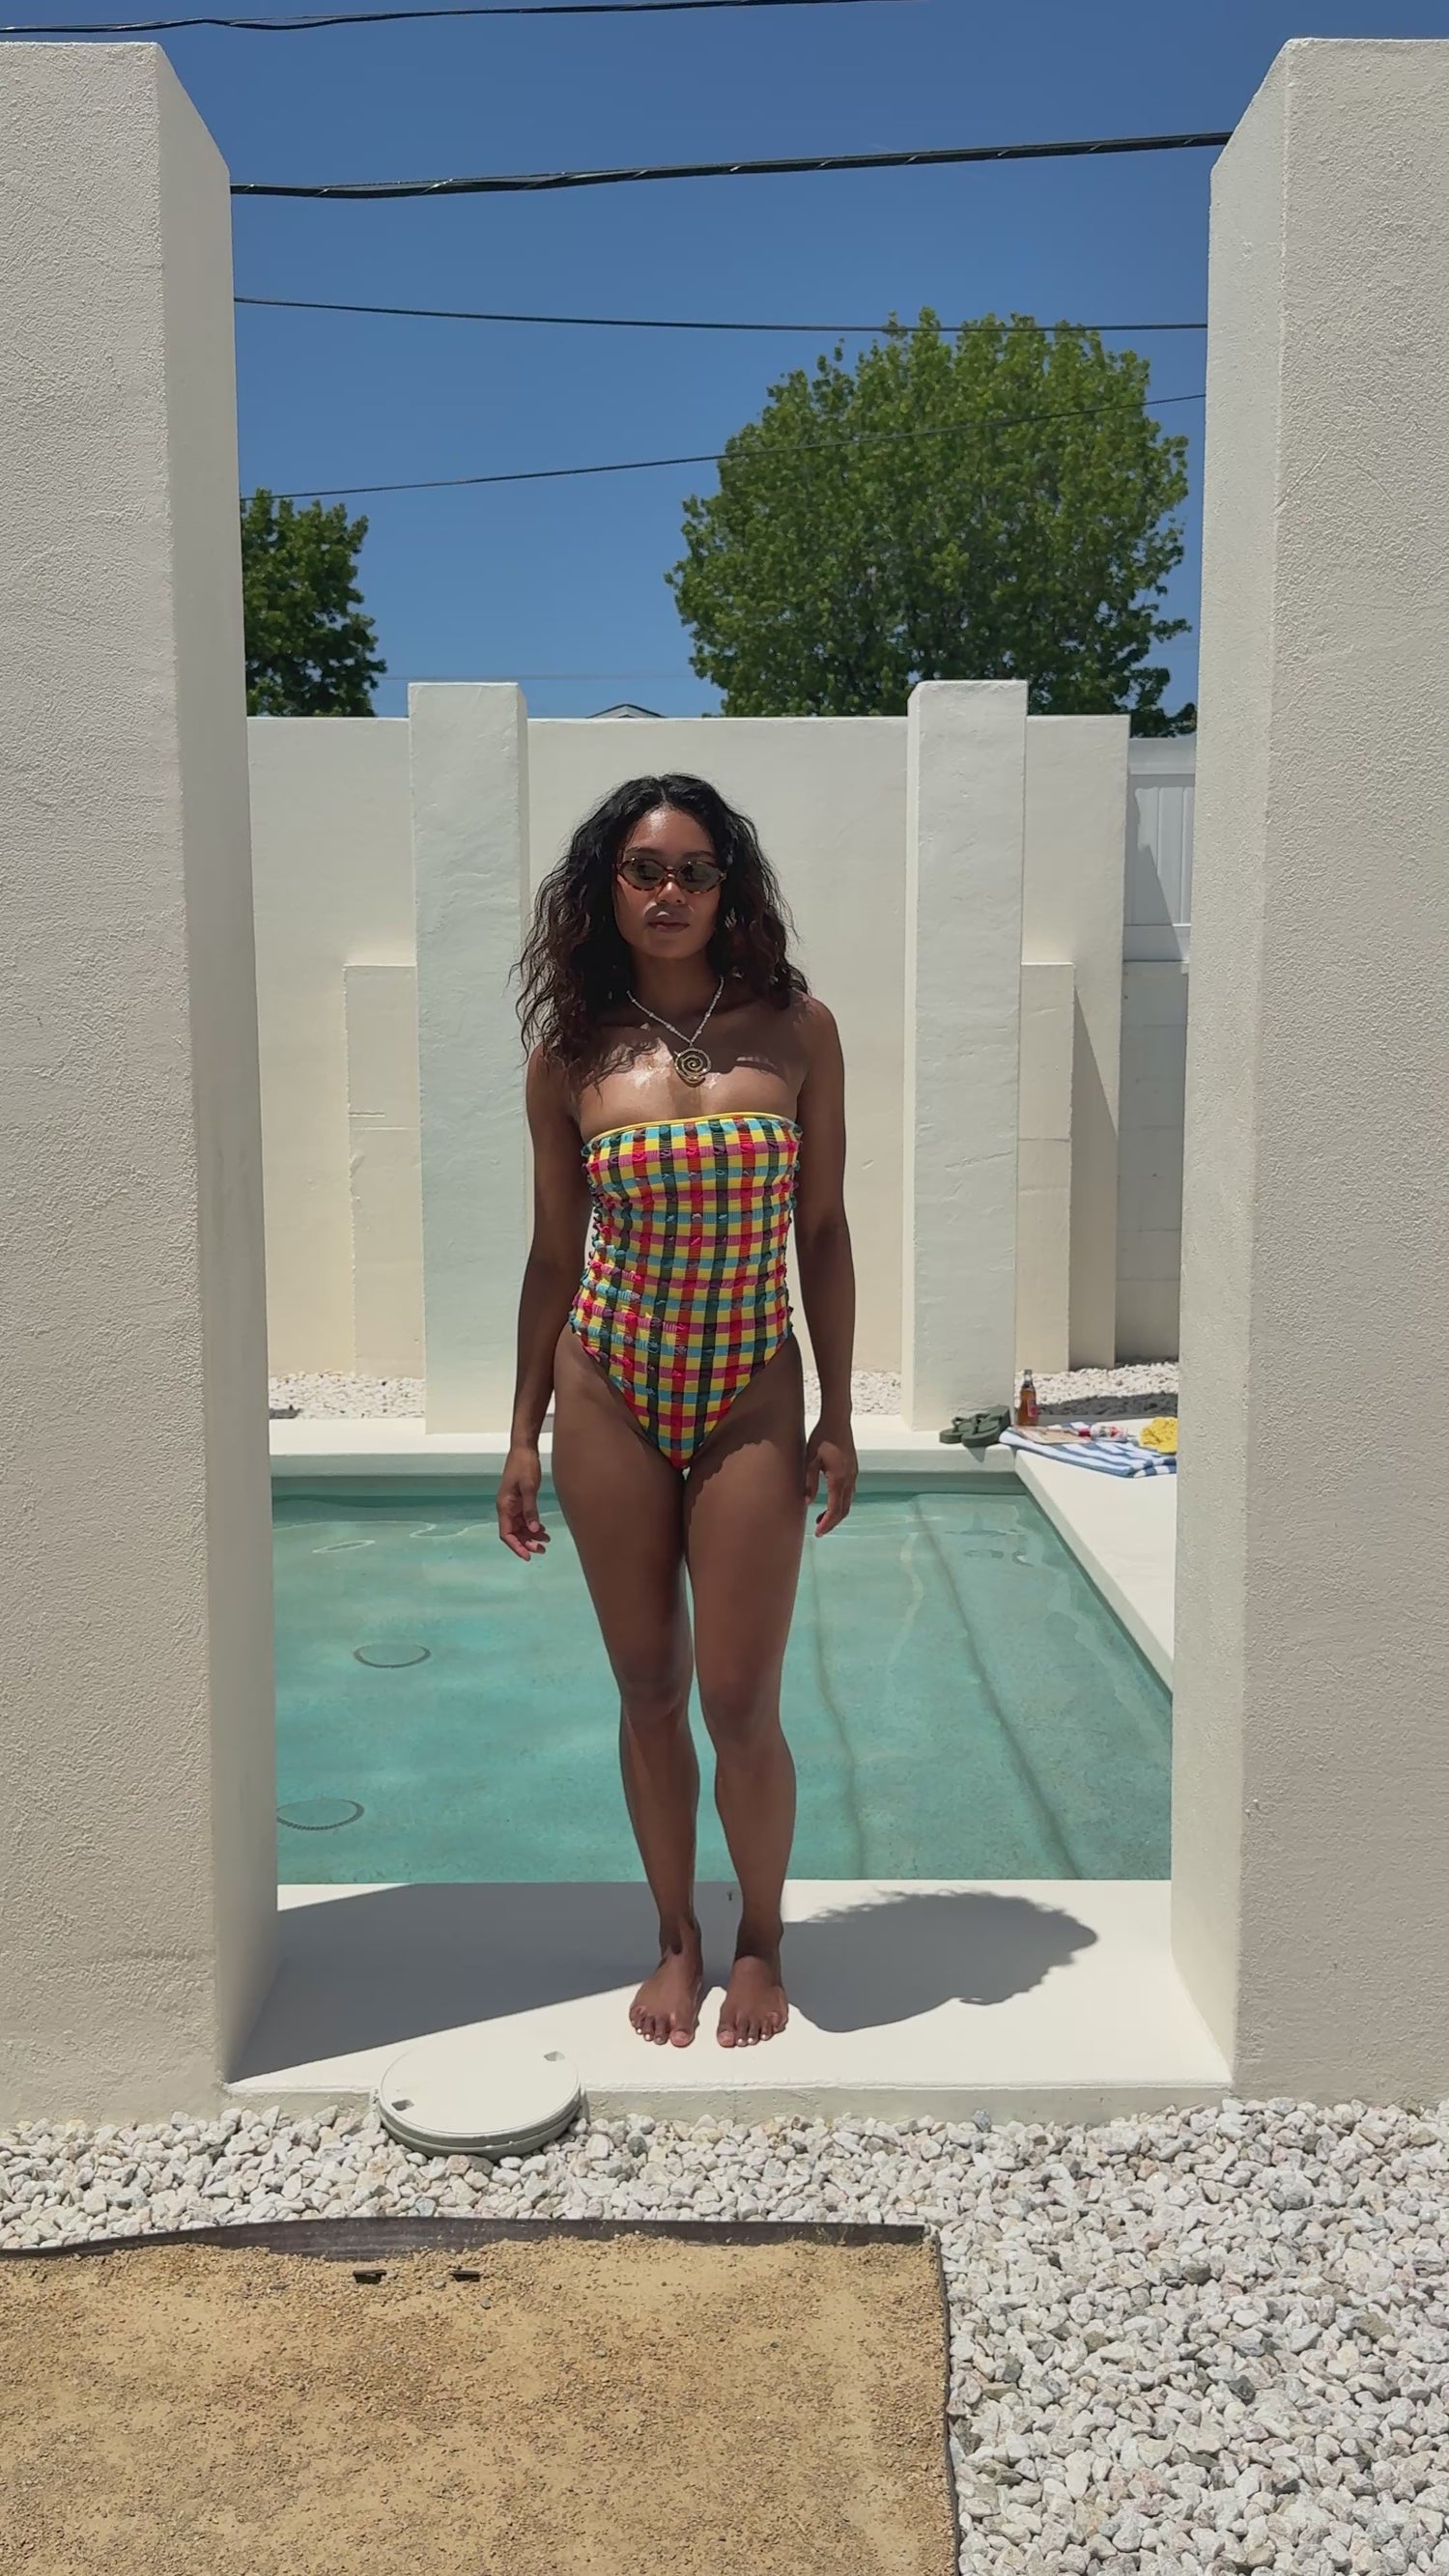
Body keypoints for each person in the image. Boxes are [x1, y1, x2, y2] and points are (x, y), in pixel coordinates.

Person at [497, 774, 858, 2050]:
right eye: (644, 870)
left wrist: (838, 1412)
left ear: (727, 889)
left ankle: (760, 1938)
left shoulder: (796, 1031)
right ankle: (675, 1936)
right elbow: (555, 1256)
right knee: (647, 1685)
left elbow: (823, 1230)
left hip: (750, 1381)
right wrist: (521, 1433)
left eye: (694, 871)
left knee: (739, 1698)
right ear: (609, 889)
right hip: (608, 1382)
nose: (668, 892)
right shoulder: (571, 1056)